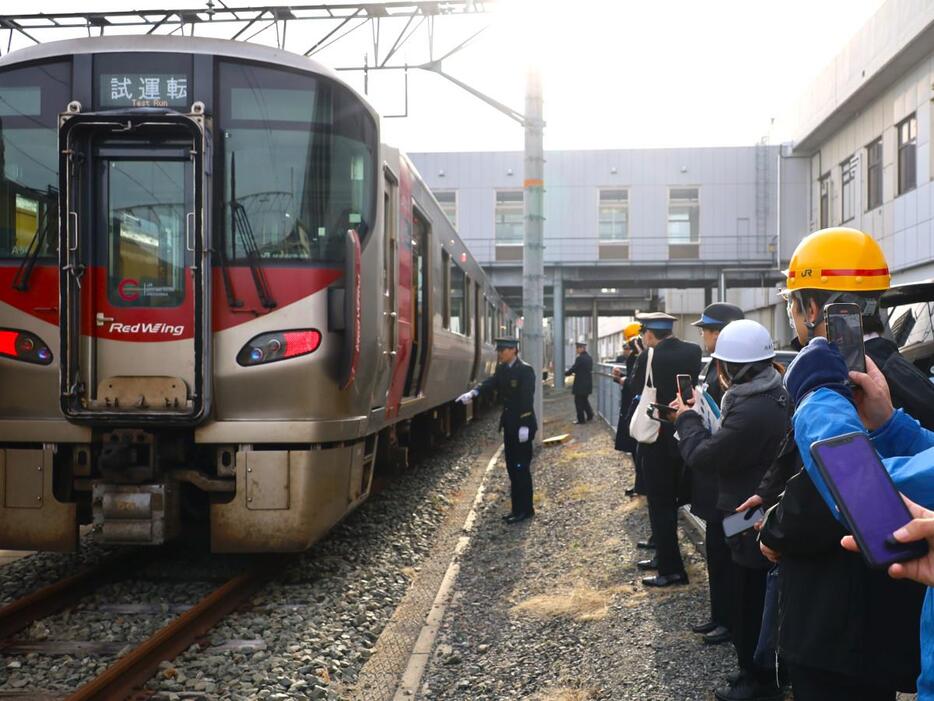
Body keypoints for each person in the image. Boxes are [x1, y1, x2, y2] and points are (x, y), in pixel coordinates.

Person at [756, 230, 927, 701]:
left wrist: (775, 530)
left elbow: (845, 486)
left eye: (794, 305)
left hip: (834, 624)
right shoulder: (905, 378)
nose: (793, 319)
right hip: (892, 618)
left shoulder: (837, 385)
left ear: (813, 310)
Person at [673, 320, 787, 701]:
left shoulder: (749, 412)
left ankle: (756, 680)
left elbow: (703, 456)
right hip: (757, 507)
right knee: (752, 592)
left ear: (732, 370)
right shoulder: (773, 395)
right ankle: (757, 672)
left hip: (749, 512)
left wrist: (687, 418)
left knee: (749, 596)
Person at [628, 311, 702, 587]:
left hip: (656, 438)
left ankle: (671, 569)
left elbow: (637, 387)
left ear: (649, 333)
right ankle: (663, 556)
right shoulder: (693, 351)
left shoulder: (648, 356)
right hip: (685, 434)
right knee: (672, 503)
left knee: (660, 505)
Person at [686, 302, 745, 646]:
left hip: (727, 480)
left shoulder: (733, 370)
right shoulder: (715, 366)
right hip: (714, 479)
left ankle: (731, 620)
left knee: (729, 552)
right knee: (716, 551)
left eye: (708, 330)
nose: (705, 336)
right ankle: (719, 615)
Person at [457, 337, 537, 524]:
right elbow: (491, 383)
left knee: (521, 468)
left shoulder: (525, 370)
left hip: (522, 427)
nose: (499, 353)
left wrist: (525, 425)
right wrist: (474, 393)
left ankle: (526, 509)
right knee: (512, 468)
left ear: (513, 350)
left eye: (503, 350)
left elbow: (527, 399)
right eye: (499, 350)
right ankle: (517, 509)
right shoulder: (503, 369)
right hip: (509, 426)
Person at [565, 340, 594, 424]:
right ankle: (590, 415)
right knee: (585, 401)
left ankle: (581, 420)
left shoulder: (580, 358)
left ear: (582, 348)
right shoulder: (589, 358)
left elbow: (574, 368)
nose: (576, 350)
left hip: (580, 385)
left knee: (578, 402)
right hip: (588, 384)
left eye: (577, 348)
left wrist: (566, 373)